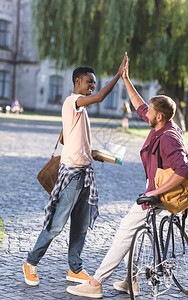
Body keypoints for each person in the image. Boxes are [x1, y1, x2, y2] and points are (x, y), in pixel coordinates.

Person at [66, 57, 188, 298]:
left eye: (151, 112)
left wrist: (154, 192)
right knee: (134, 232)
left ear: (160, 117)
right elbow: (139, 105)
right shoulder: (161, 125)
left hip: (158, 196)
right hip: (155, 191)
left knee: (124, 232)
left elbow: (183, 170)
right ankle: (130, 280)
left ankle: (96, 283)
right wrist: (125, 78)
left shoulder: (168, 138)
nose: (146, 114)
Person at [22, 53, 128, 286]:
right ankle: (30, 262)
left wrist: (96, 154)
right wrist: (119, 75)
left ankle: (75, 268)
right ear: (77, 81)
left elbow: (71, 139)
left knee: (80, 226)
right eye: (89, 81)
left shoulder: (79, 109)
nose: (93, 86)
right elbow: (100, 97)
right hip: (71, 175)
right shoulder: (72, 101)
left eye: (94, 83)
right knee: (57, 224)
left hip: (84, 173)